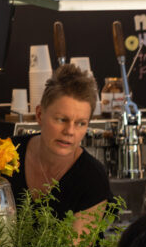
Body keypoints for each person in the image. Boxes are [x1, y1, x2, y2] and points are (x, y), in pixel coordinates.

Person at [7, 62, 111, 225]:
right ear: (39, 115)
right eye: (62, 119)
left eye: (81, 123)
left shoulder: (92, 178)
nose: (70, 131)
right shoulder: (7, 153)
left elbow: (77, 242)